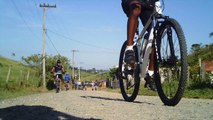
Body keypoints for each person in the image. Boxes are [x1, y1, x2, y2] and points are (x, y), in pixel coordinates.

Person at [121, 0, 157, 91]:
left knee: (155, 32)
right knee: (136, 9)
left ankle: (151, 74)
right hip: (133, 2)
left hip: (148, 3)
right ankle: (129, 48)